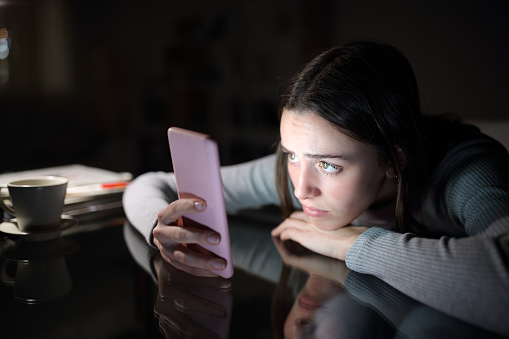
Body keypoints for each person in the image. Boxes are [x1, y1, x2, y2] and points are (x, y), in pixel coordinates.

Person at [123, 40, 509, 336]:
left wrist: (349, 242)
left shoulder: (466, 171)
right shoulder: (303, 172)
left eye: (328, 164)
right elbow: (150, 184)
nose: (302, 188)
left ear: (395, 161)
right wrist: (159, 228)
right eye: (291, 155)